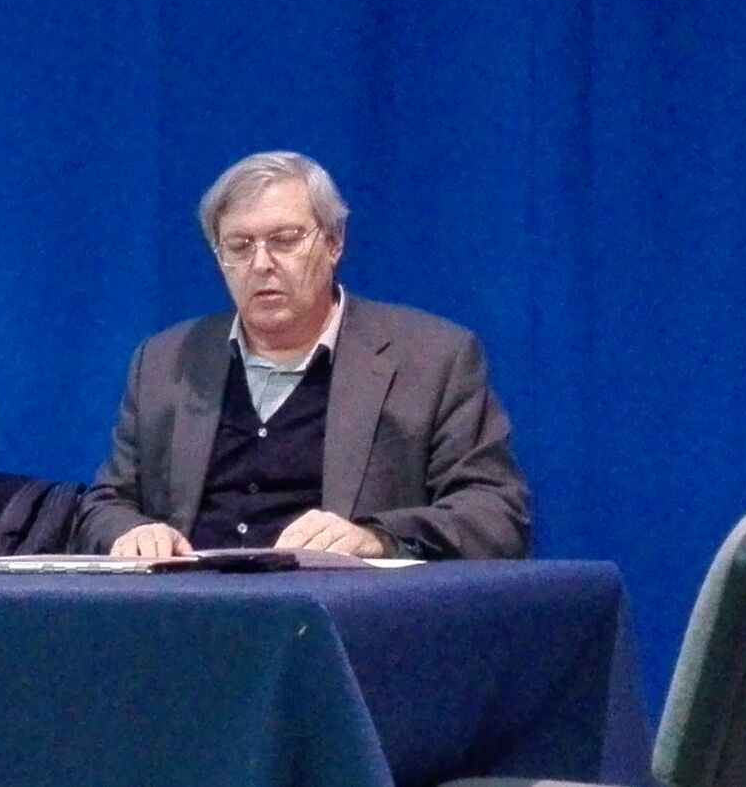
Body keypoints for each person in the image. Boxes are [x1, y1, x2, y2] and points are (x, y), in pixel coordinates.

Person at [74, 151, 530, 559]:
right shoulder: (164, 362)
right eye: (239, 246)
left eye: (285, 239)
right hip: (190, 611)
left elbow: (495, 514)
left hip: (339, 611)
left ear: (334, 243)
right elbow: (104, 505)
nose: (261, 264)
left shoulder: (433, 359)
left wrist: (377, 538)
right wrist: (132, 533)